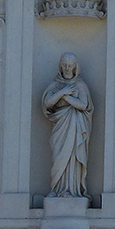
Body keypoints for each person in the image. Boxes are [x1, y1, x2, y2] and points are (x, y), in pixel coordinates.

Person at [42, 52, 93, 197]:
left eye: (70, 65)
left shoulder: (80, 85)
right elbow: (47, 103)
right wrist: (62, 92)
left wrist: (66, 97)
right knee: (59, 156)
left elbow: (83, 105)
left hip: (75, 126)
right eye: (64, 65)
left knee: (72, 159)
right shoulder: (56, 85)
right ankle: (57, 188)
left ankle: (72, 190)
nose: (67, 68)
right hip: (60, 126)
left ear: (75, 66)